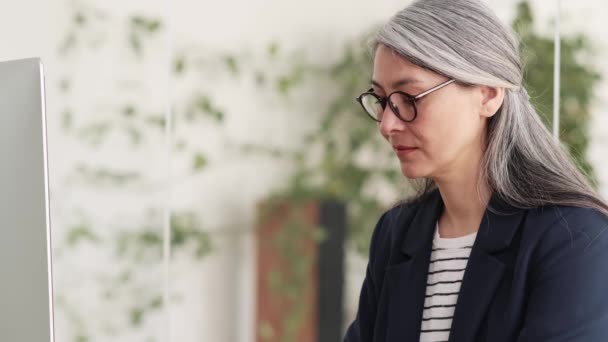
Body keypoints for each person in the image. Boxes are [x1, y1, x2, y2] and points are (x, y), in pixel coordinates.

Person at [344, 0, 608, 341]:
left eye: (409, 98)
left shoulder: (575, 237)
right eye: (382, 100)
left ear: (488, 94)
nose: (387, 124)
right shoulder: (397, 233)